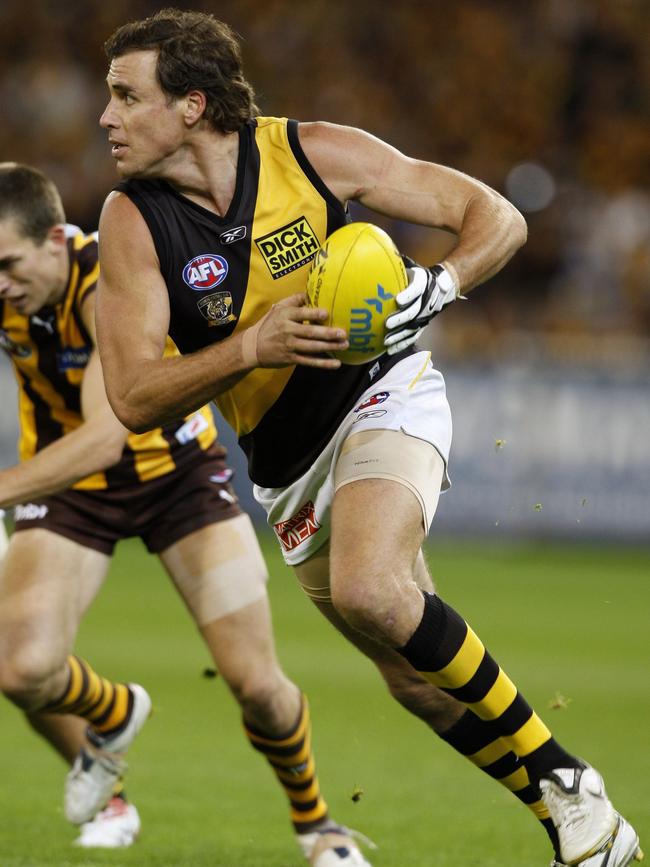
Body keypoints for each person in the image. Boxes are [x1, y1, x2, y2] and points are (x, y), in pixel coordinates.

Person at [94, 9, 642, 867]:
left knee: (371, 591)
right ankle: (585, 832)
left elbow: (494, 214)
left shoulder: (313, 153)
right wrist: (251, 346)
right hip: (286, 469)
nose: (107, 117)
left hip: (383, 395)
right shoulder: (132, 223)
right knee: (413, 682)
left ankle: (568, 779)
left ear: (192, 104)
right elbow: (130, 396)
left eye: (127, 96)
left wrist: (442, 283)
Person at [0, 162, 373, 865]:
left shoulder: (104, 275)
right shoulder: (9, 283)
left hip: (175, 475)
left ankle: (319, 824)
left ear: (55, 239)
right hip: (73, 489)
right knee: (21, 671)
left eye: (7, 263)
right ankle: (113, 715)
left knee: (257, 684)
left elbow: (107, 436)